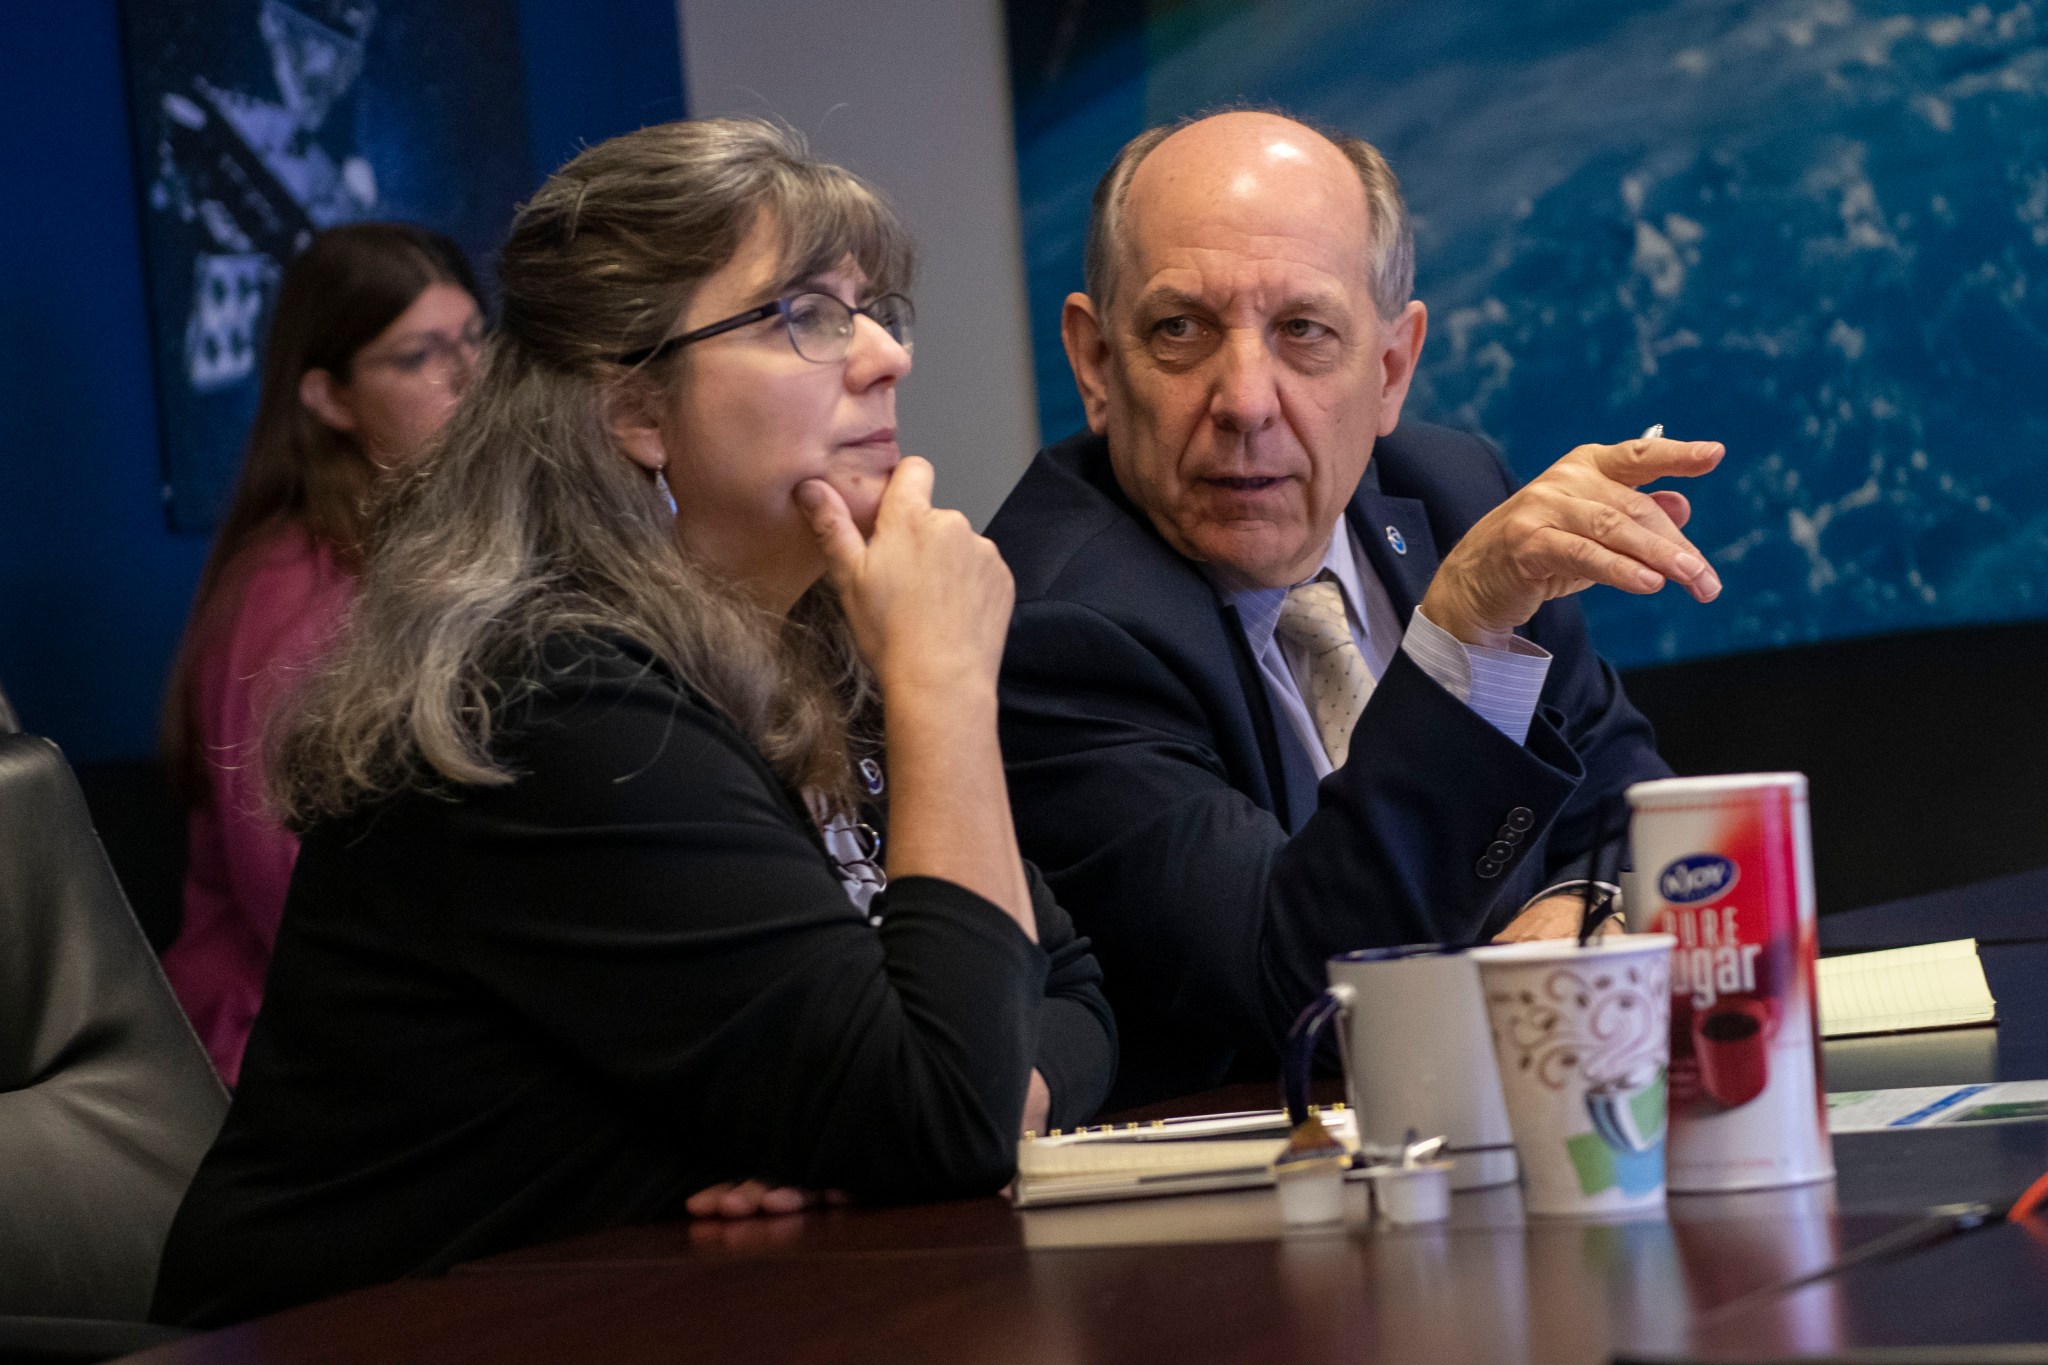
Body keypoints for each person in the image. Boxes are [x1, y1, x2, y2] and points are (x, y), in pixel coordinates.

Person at [152, 118, 1115, 1327]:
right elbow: (940, 1120)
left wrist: (987, 1091)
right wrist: (944, 692)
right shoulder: (557, 696)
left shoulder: (827, 639)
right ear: (634, 411)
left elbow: (1072, 990)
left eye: (875, 309)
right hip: (363, 1338)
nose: (882, 357)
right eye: (805, 315)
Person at [986, 110, 1725, 1108]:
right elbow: (1299, 988)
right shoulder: (1053, 625)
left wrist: (1575, 907)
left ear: (1387, 367)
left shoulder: (1457, 491)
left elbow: (1637, 827)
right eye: (1179, 330)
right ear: (1094, 362)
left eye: (1301, 331)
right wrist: (1458, 636)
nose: (1244, 400)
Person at [160, 223, 484, 1085]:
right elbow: (305, 902)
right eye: (418, 357)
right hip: (288, 1057)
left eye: (473, 337)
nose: (467, 377)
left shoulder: (435, 550)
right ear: (329, 397)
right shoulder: (290, 588)